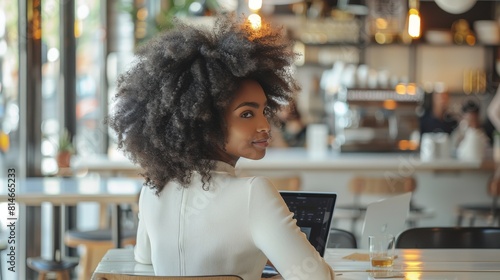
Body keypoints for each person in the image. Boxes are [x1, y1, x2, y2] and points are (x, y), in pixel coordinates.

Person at [107, 15, 335, 280]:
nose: (265, 125)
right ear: (204, 119)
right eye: (247, 114)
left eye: (264, 110)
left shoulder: (151, 191)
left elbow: (145, 264)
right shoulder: (254, 193)